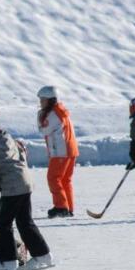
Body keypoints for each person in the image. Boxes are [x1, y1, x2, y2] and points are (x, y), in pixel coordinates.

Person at [0, 114, 53, 270]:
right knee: (24, 221)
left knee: (3, 225)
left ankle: (8, 263)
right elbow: (22, 152)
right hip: (25, 182)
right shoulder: (7, 137)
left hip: (12, 187)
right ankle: (43, 256)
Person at [36, 86, 79, 218]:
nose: (40, 103)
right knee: (65, 180)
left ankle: (61, 207)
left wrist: (39, 116)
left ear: (50, 100)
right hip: (70, 150)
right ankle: (68, 207)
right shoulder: (60, 111)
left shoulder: (54, 114)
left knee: (53, 178)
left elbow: (44, 130)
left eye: (43, 100)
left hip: (61, 152)